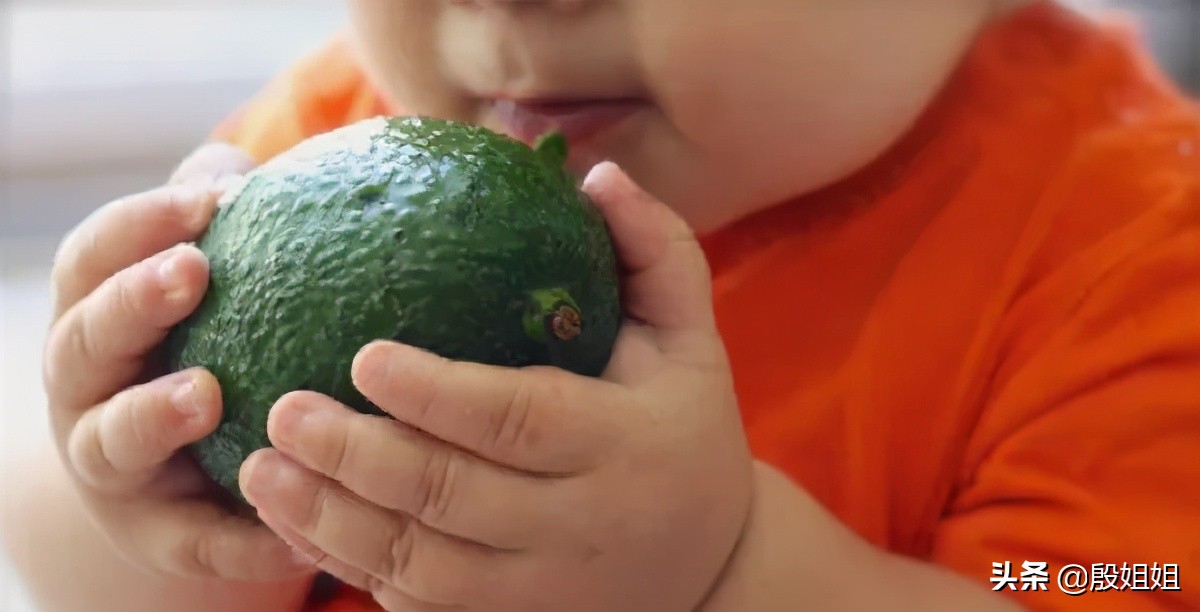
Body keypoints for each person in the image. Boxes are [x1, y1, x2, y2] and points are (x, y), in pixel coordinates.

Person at [3, 0, 1197, 610]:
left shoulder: (1137, 249)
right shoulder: (352, 136)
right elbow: (53, 547)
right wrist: (152, 497)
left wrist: (726, 575)